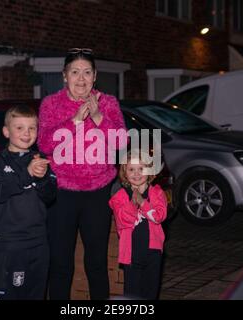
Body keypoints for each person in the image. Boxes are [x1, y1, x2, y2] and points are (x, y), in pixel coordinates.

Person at [38, 48, 127, 300]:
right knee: (61, 263)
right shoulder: (51, 104)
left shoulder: (108, 103)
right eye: (74, 72)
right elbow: (44, 143)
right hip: (61, 194)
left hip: (97, 193)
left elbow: (121, 143)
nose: (81, 79)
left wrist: (98, 117)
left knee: (97, 262)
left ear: (95, 76)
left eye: (87, 72)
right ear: (64, 76)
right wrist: (75, 121)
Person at [0, 105, 57, 300]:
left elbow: (51, 196)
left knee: (36, 294)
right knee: (12, 295)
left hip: (39, 241)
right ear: (6, 131)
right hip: (11, 243)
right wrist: (27, 174)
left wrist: (41, 179)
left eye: (32, 128)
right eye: (20, 128)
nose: (27, 133)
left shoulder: (41, 159)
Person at [108, 151, 167, 300]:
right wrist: (133, 204)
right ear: (124, 172)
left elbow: (159, 216)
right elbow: (123, 220)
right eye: (131, 169)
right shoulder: (119, 196)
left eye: (141, 169)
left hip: (153, 253)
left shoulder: (157, 193)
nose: (136, 173)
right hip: (131, 254)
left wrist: (143, 203)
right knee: (132, 294)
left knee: (150, 291)